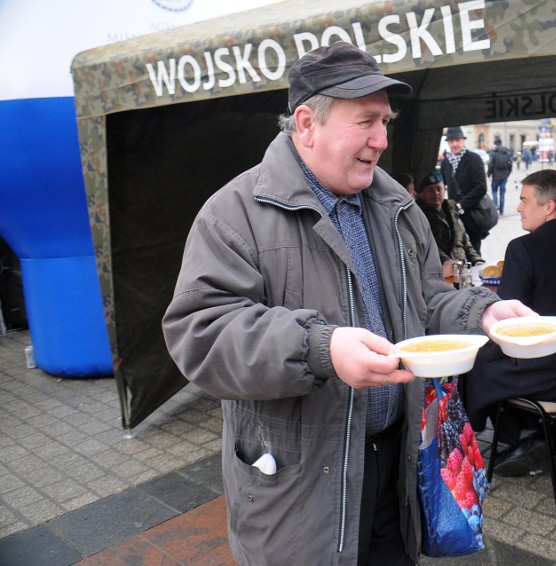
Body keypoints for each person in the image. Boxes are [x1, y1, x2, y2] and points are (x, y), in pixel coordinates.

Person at [161, 42, 534, 566]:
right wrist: (320, 348)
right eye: (366, 121)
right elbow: (200, 335)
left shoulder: (397, 206)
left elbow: (426, 301)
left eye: (386, 121)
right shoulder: (233, 213)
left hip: (394, 464)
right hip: (297, 485)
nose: (382, 140)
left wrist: (480, 313)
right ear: (307, 123)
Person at [464, 169, 556, 476]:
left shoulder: (523, 249)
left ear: (548, 206)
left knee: (474, 361)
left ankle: (513, 438)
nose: (518, 207)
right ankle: (527, 434)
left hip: (549, 372)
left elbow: (505, 327)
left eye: (524, 200)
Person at [415, 171, 484, 277]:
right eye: (430, 190)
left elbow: (466, 244)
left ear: (444, 190)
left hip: (463, 272)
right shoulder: (419, 217)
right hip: (440, 275)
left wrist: (477, 261)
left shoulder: (452, 212)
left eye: (439, 189)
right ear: (422, 194)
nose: (436, 193)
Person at [440, 126, 489, 254]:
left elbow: (481, 187)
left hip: (472, 216)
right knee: (458, 252)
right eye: (451, 141)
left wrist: (462, 204)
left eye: (457, 140)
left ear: (463, 141)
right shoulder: (446, 162)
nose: (454, 144)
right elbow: (441, 184)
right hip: (455, 218)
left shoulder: (474, 159)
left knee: (474, 252)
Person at [488, 139, 513, 215]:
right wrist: (507, 174)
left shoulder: (494, 153)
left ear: (496, 144)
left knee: (494, 191)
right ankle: (501, 210)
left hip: (496, 176)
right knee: (502, 193)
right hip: (504, 176)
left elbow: (491, 165)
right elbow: (510, 165)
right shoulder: (507, 153)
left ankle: (495, 206)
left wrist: (489, 174)